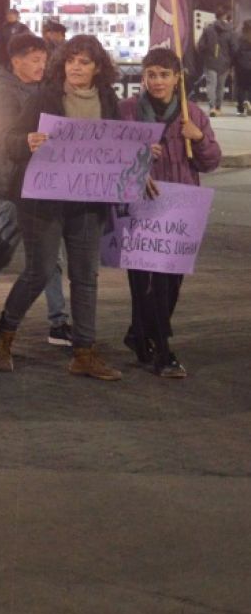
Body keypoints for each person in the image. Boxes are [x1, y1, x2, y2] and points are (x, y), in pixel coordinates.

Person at [0, 35, 124, 379]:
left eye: (84, 62)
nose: (76, 67)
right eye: (71, 60)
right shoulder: (45, 97)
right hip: (43, 200)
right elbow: (8, 140)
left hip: (89, 201)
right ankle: (3, 335)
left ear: (98, 68)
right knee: (40, 270)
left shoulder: (107, 99)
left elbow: (119, 141)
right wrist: (26, 142)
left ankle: (84, 352)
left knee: (85, 277)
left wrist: (139, 154)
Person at [0, 33, 70, 344]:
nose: (41, 64)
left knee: (50, 255)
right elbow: (3, 139)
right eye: (34, 59)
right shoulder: (5, 92)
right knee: (6, 247)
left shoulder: (42, 87)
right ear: (16, 61)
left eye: (43, 58)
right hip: (13, 184)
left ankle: (58, 321)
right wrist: (27, 141)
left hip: (43, 180)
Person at [119, 48, 220, 377]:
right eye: (151, 74)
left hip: (180, 207)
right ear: (143, 77)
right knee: (145, 282)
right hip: (140, 204)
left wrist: (200, 138)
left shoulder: (193, 115)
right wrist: (138, 157)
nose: (158, 81)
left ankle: (139, 334)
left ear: (177, 78)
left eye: (164, 74)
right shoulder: (128, 112)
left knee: (171, 281)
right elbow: (112, 155)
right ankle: (163, 351)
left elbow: (211, 162)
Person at [194, 9, 235, 116]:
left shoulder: (208, 29)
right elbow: (233, 48)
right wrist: (231, 62)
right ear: (225, 16)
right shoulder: (230, 31)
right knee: (220, 87)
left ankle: (212, 108)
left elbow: (200, 46)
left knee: (211, 85)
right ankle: (218, 107)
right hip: (225, 63)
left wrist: (205, 55)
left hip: (210, 62)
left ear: (215, 16)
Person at [235, 19, 251, 117]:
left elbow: (235, 51)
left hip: (241, 66)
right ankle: (249, 103)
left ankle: (241, 108)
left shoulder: (239, 38)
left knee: (241, 87)